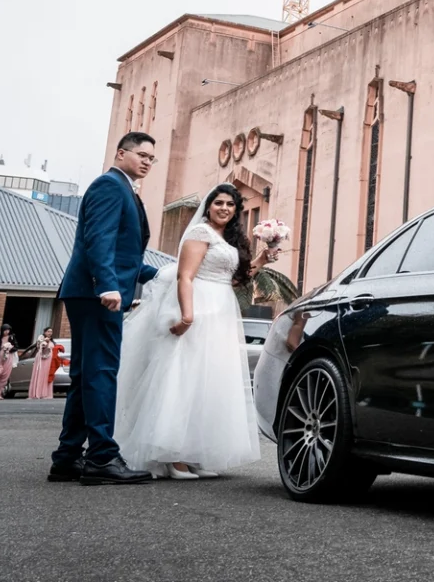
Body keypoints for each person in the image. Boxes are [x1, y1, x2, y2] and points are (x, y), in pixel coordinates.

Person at [115, 183, 275, 480]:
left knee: (207, 381)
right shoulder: (199, 233)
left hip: (221, 310)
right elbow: (185, 276)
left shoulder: (224, 239)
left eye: (230, 204)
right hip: (198, 306)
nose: (224, 208)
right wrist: (187, 316)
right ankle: (171, 457)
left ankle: (191, 453)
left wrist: (262, 260)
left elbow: (233, 281)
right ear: (209, 206)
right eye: (219, 203)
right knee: (184, 378)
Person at [49, 132, 162, 485]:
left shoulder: (125, 189)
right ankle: (101, 457)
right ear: (121, 153)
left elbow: (126, 254)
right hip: (96, 294)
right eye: (141, 154)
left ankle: (67, 458)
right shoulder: (110, 186)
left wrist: (165, 275)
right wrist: (108, 285)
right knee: (101, 373)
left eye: (151, 158)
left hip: (91, 291)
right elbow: (98, 238)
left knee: (86, 375)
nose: (146, 161)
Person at [20, 327, 62, 400]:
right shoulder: (41, 339)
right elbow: (40, 347)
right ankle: (37, 393)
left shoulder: (52, 341)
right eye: (48, 331)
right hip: (42, 359)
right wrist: (44, 342)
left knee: (47, 375)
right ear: (45, 332)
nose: (50, 333)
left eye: (51, 332)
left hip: (49, 360)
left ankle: (46, 394)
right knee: (40, 375)